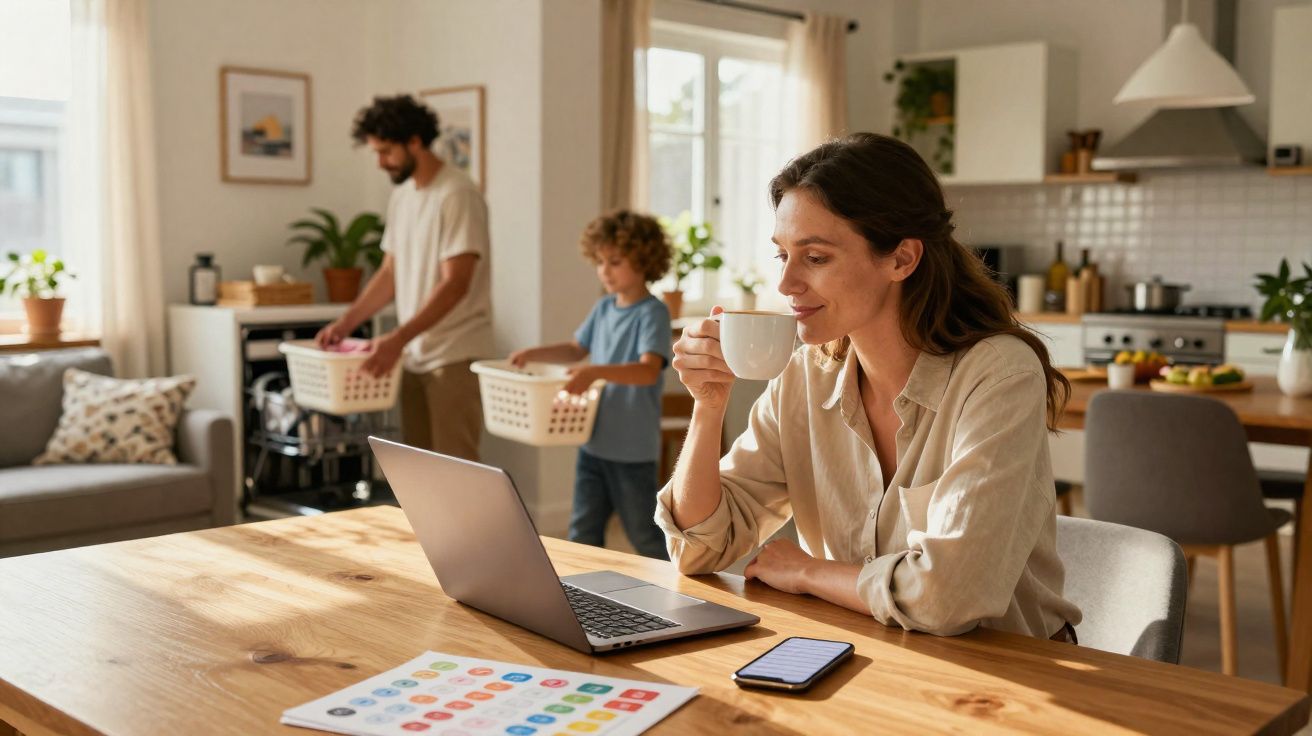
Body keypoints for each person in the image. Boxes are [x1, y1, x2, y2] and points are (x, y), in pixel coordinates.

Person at [659, 133, 1082, 641]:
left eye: (815, 258)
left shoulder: (997, 375)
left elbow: (948, 597)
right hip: (873, 651)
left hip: (1012, 673)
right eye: (782, 256)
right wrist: (708, 406)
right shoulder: (806, 376)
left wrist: (808, 571)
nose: (787, 284)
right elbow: (699, 549)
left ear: (901, 259)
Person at [317, 94, 492, 462]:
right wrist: (346, 323)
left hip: (454, 355)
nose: (381, 162)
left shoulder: (457, 194)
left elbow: (456, 283)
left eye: (386, 151)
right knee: (421, 473)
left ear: (415, 141)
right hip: (414, 353)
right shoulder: (403, 197)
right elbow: (390, 273)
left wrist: (397, 338)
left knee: (455, 474)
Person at [509, 211, 673, 560]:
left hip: (632, 451)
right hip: (592, 444)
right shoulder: (603, 309)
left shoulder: (653, 313)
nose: (604, 271)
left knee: (644, 535)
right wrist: (533, 353)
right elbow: (574, 349)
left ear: (644, 260)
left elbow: (647, 371)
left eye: (614, 262)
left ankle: (679, 592)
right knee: (582, 533)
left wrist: (594, 372)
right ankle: (584, 597)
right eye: (600, 262)